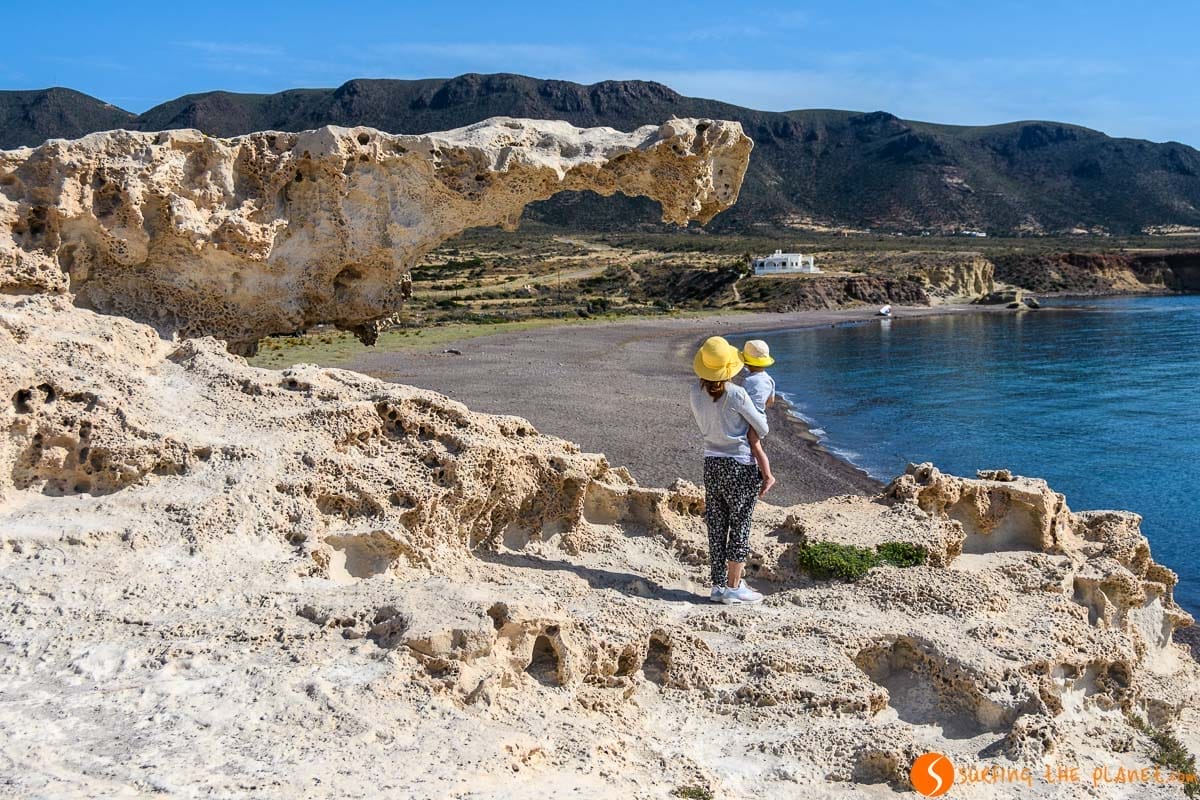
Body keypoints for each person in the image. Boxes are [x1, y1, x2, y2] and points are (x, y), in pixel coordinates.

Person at [689, 336, 768, 605]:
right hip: (739, 464)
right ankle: (734, 587)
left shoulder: (695, 392)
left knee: (716, 524)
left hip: (711, 463)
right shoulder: (736, 393)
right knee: (740, 524)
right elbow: (763, 428)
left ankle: (718, 585)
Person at [738, 339, 777, 498]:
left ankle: (768, 476)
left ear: (747, 362)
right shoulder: (769, 379)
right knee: (755, 445)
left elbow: (741, 400)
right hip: (761, 417)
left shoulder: (747, 380)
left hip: (752, 419)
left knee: (754, 445)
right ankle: (761, 471)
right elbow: (771, 401)